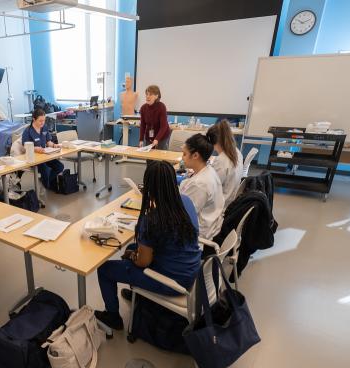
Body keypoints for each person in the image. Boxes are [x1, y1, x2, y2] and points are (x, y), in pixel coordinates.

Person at [94, 161, 201, 330]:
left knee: (105, 269)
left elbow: (143, 262)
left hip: (173, 282)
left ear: (149, 187)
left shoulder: (151, 220)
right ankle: (140, 292)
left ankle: (113, 316)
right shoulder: (186, 201)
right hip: (191, 270)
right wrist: (133, 253)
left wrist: (133, 256)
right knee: (130, 249)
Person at [179, 134, 224, 241]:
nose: (182, 158)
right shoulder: (209, 170)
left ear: (195, 155)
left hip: (199, 235)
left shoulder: (199, 184)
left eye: (185, 154)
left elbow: (183, 215)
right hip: (211, 224)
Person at [22, 108, 64, 189]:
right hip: (34, 158)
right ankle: (47, 184)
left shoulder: (44, 127)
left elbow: (48, 142)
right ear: (34, 119)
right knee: (45, 169)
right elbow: (25, 147)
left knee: (59, 166)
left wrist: (55, 145)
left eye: (44, 120)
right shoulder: (27, 131)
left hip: (45, 155)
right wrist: (35, 149)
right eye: (40, 121)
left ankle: (45, 181)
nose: (42, 123)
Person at [207, 119, 243, 208]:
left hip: (220, 205)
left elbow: (210, 187)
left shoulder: (221, 160)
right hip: (230, 200)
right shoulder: (237, 152)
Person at [138, 85, 170, 150]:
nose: (147, 96)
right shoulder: (143, 108)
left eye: (150, 94)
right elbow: (143, 125)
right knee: (149, 158)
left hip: (162, 136)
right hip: (149, 136)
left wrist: (157, 139)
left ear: (156, 96)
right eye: (147, 94)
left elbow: (164, 126)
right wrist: (141, 140)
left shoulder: (161, 107)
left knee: (160, 157)